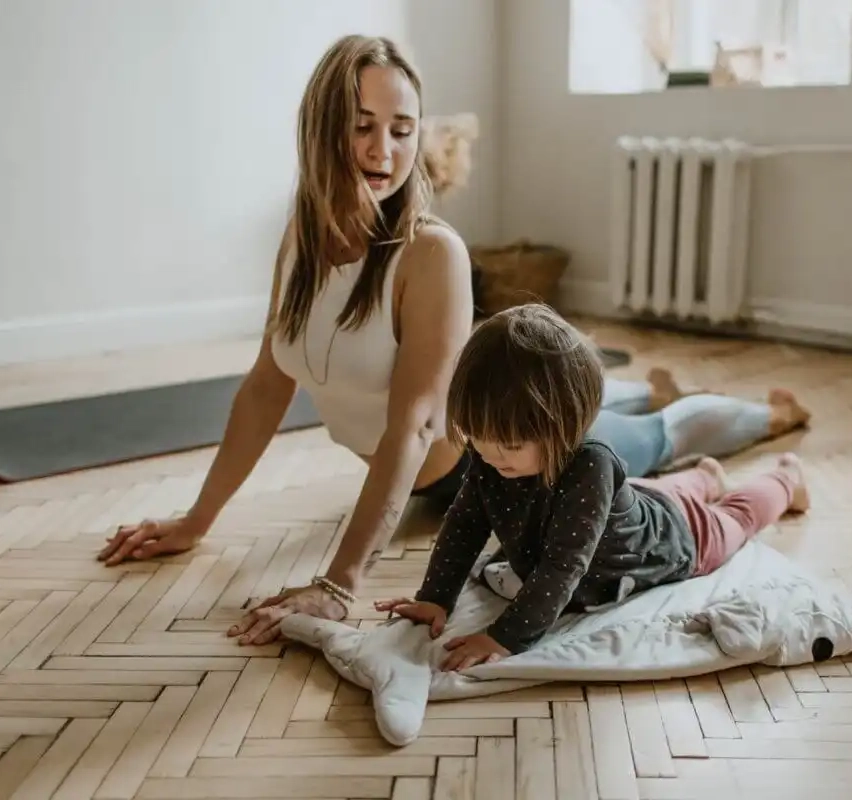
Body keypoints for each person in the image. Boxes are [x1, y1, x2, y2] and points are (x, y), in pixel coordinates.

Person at [96, 34, 809, 646]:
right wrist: (197, 519)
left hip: (513, 459)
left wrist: (339, 584)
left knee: (656, 437)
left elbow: (410, 429)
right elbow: (264, 388)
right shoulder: (302, 241)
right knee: (632, 425)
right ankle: (646, 405)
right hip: (470, 456)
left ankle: (769, 420)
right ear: (320, 127)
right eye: (362, 125)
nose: (384, 149)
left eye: (402, 128)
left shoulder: (430, 253)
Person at [376, 304, 810, 670]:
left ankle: (787, 479)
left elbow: (563, 566)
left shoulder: (591, 465)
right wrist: (435, 597)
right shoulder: (493, 454)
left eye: (509, 445)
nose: (492, 457)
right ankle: (706, 475)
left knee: (735, 517)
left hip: (676, 537)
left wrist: (505, 637)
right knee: (663, 491)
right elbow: (465, 522)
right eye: (479, 441)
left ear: (565, 426)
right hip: (637, 499)